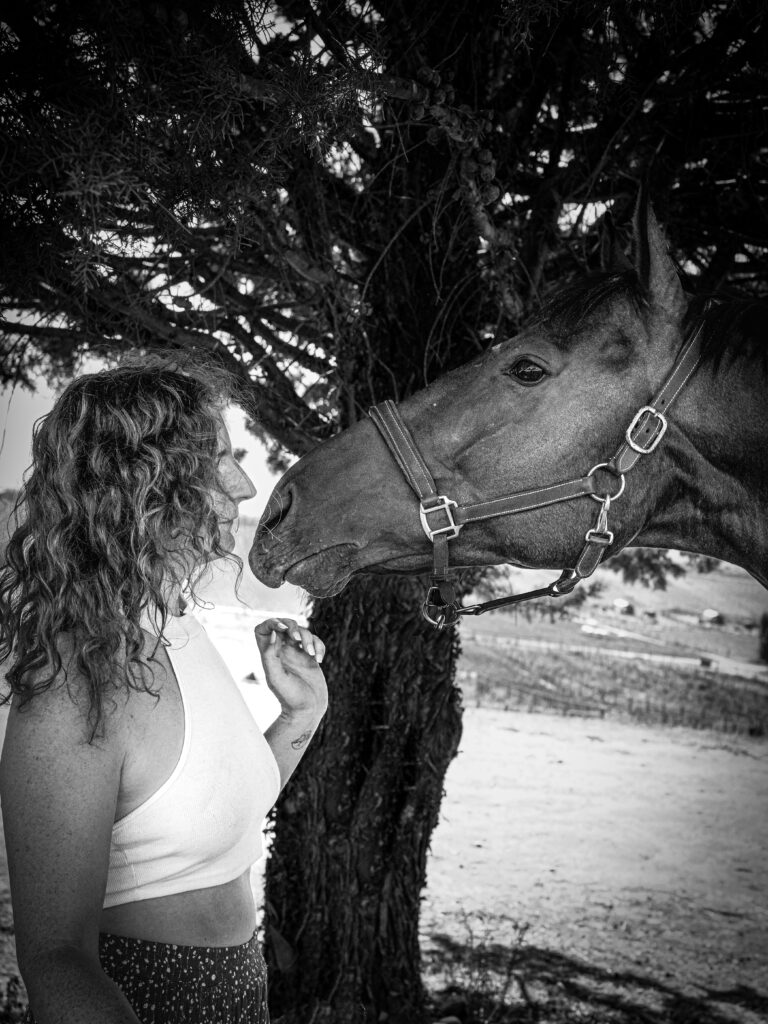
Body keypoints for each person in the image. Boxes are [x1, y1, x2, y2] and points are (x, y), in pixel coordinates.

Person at [0, 362, 328, 1023]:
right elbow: (57, 960)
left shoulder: (177, 627)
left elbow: (214, 821)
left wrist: (302, 714)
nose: (245, 486)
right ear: (143, 482)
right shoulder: (77, 691)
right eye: (221, 459)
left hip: (240, 991)